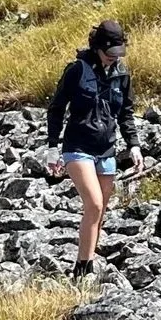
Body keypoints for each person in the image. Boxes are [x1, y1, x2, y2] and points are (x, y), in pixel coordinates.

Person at [46, 18, 145, 281]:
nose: (114, 59)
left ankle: (87, 261)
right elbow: (56, 109)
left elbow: (126, 113)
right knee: (94, 203)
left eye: (118, 54)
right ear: (97, 47)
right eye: (109, 53)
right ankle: (82, 269)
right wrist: (52, 148)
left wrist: (134, 145)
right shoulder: (76, 71)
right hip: (78, 146)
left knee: (99, 212)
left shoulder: (122, 75)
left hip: (107, 150)